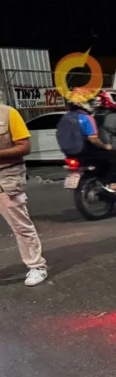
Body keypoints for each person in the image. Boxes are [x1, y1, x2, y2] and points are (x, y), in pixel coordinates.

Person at [0, 103, 48, 286]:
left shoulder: (8, 114)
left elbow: (24, 147)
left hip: (5, 177)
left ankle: (37, 267)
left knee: (20, 225)